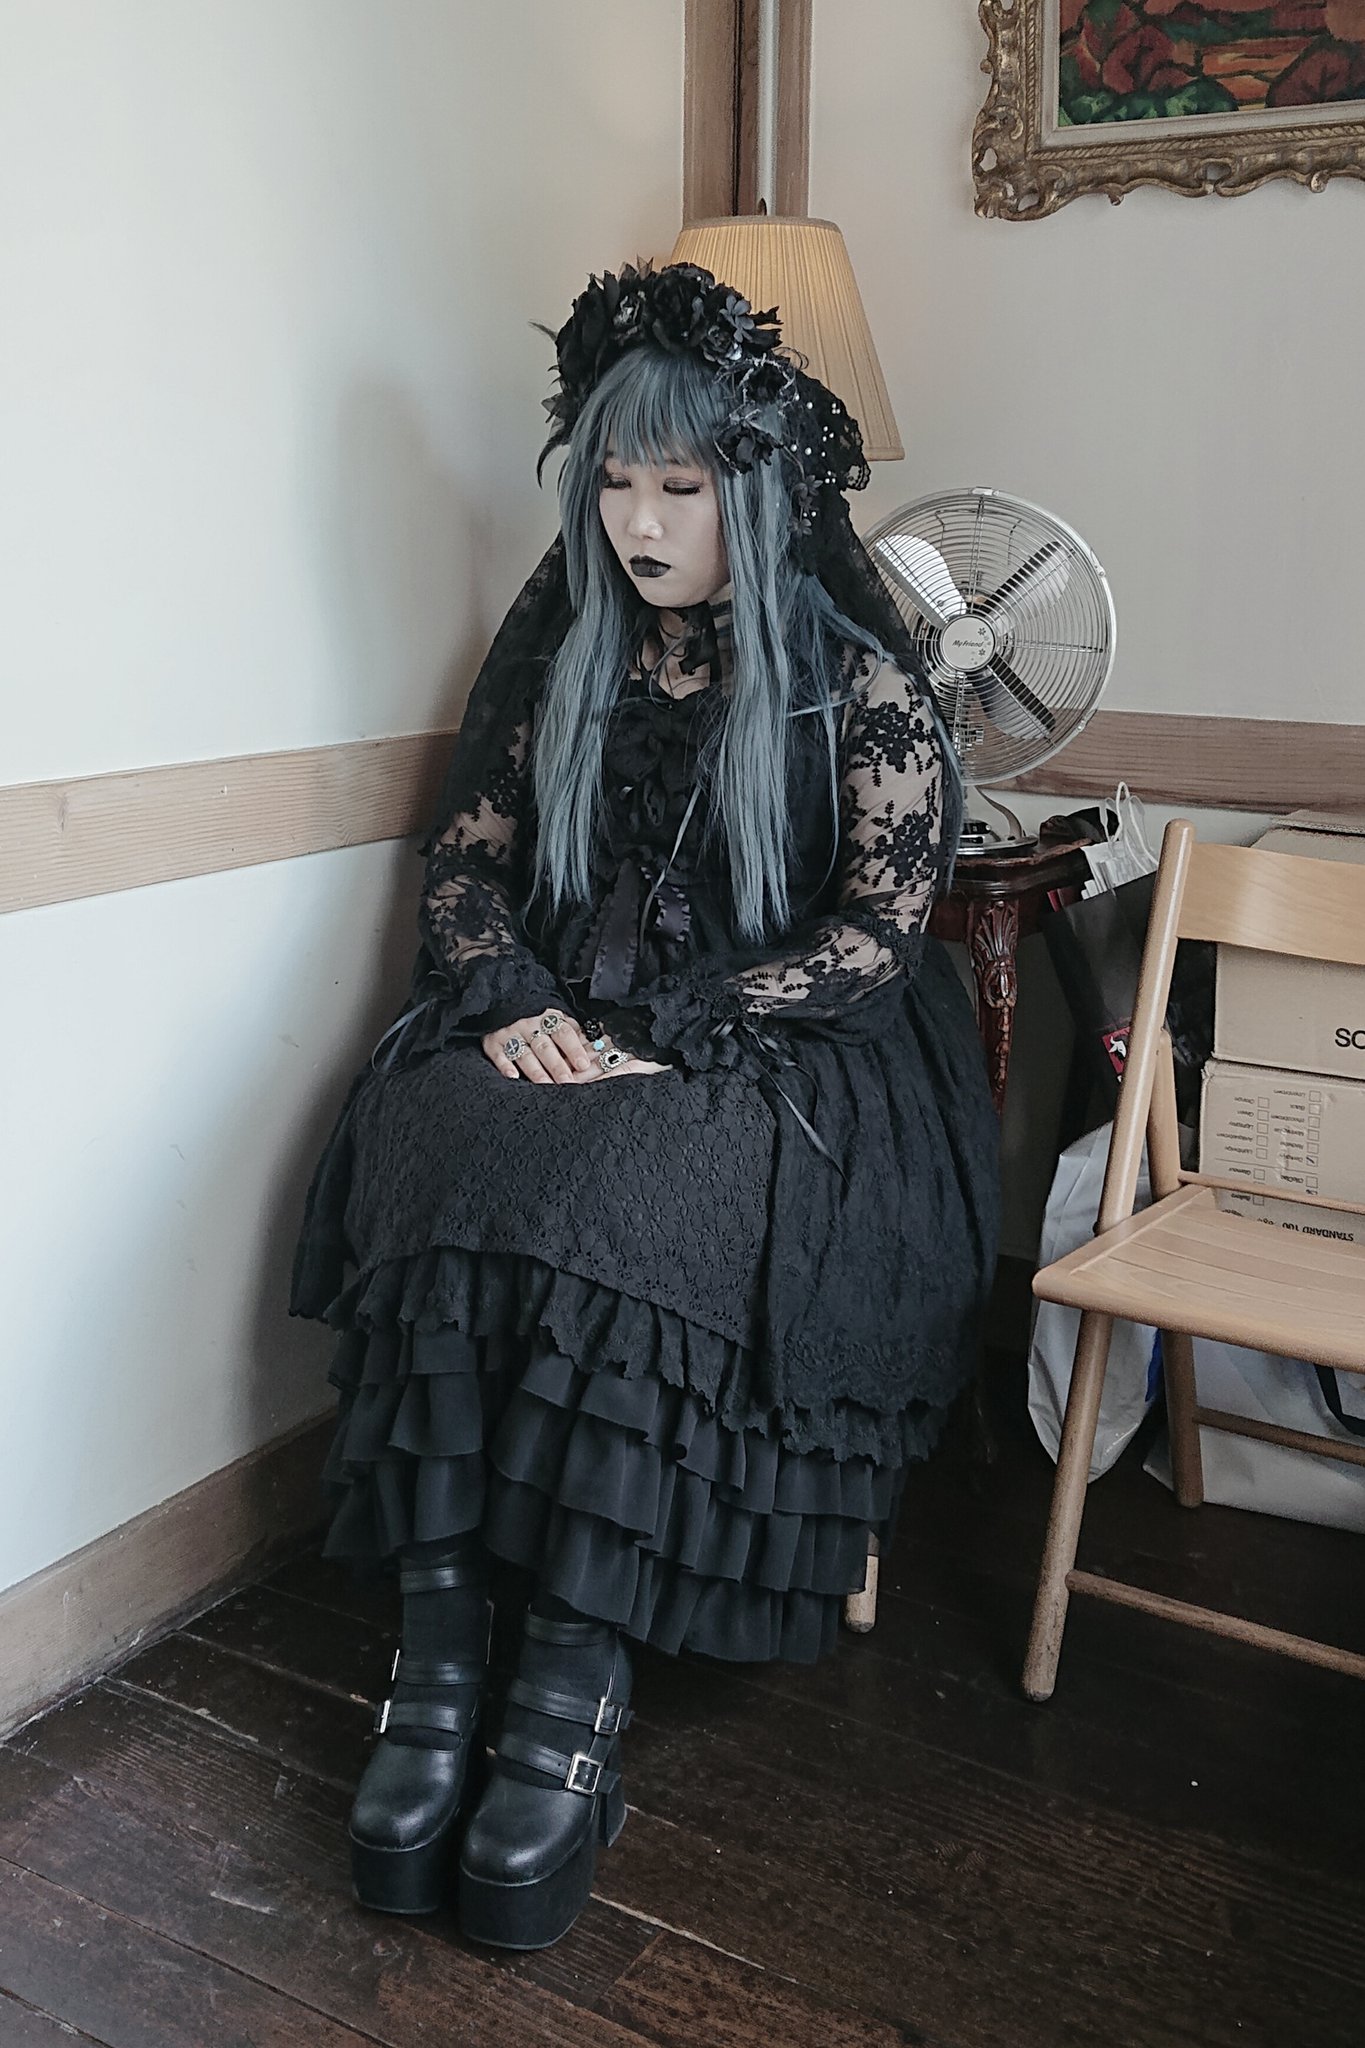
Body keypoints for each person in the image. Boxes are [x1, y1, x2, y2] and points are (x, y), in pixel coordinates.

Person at [290, 260, 999, 1952]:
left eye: (678, 486)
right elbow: (465, 871)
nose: (637, 522)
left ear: (756, 489)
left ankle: (568, 1691)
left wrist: (676, 1030)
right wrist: (518, 1002)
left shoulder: (857, 688)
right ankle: (436, 1661)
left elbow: (875, 939)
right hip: (567, 1016)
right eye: (613, 481)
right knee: (433, 1133)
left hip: (784, 1043)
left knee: (623, 1192)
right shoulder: (568, 663)